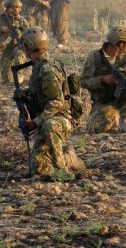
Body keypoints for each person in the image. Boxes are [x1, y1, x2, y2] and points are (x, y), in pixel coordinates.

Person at [17, 26, 85, 177]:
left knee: (49, 125)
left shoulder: (47, 69)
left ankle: (62, 167)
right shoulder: (38, 66)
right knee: (38, 169)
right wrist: (25, 95)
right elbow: (41, 93)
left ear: (30, 46)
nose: (23, 48)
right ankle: (67, 157)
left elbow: (57, 101)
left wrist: (36, 121)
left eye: (25, 45)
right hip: (48, 116)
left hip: (61, 118)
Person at [80, 25, 126, 133]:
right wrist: (102, 80)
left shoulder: (124, 55)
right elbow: (83, 81)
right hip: (102, 100)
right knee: (98, 128)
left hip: (119, 98)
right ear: (119, 43)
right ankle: (111, 115)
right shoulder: (95, 57)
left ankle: (124, 119)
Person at [0, 0, 29, 84]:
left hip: (18, 47)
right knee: (5, 79)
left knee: (19, 54)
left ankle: (20, 76)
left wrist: (21, 36)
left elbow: (29, 32)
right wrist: (0, 29)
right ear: (10, 8)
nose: (20, 9)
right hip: (5, 48)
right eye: (18, 7)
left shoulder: (21, 20)